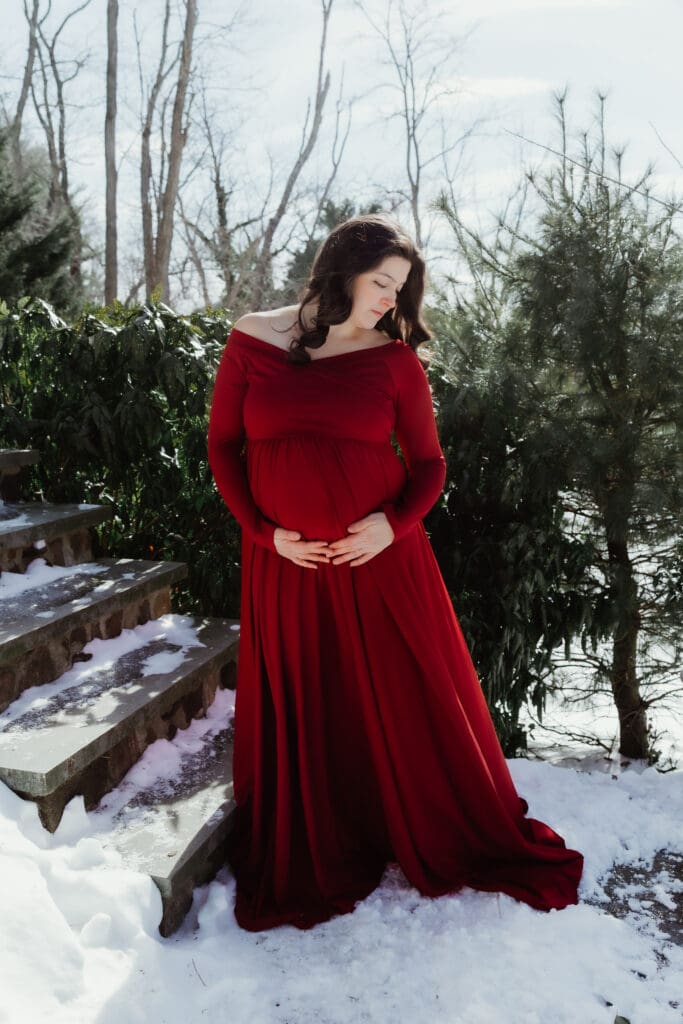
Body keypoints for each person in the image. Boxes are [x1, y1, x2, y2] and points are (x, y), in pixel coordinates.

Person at [207, 212, 584, 932]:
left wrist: (392, 524)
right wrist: (264, 534)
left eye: (399, 289)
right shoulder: (254, 337)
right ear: (341, 269)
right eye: (381, 283)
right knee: (313, 696)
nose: (388, 300)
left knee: (404, 700)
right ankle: (329, 831)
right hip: (285, 565)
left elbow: (430, 464)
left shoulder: (393, 359)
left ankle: (423, 825)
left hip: (381, 562)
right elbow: (224, 447)